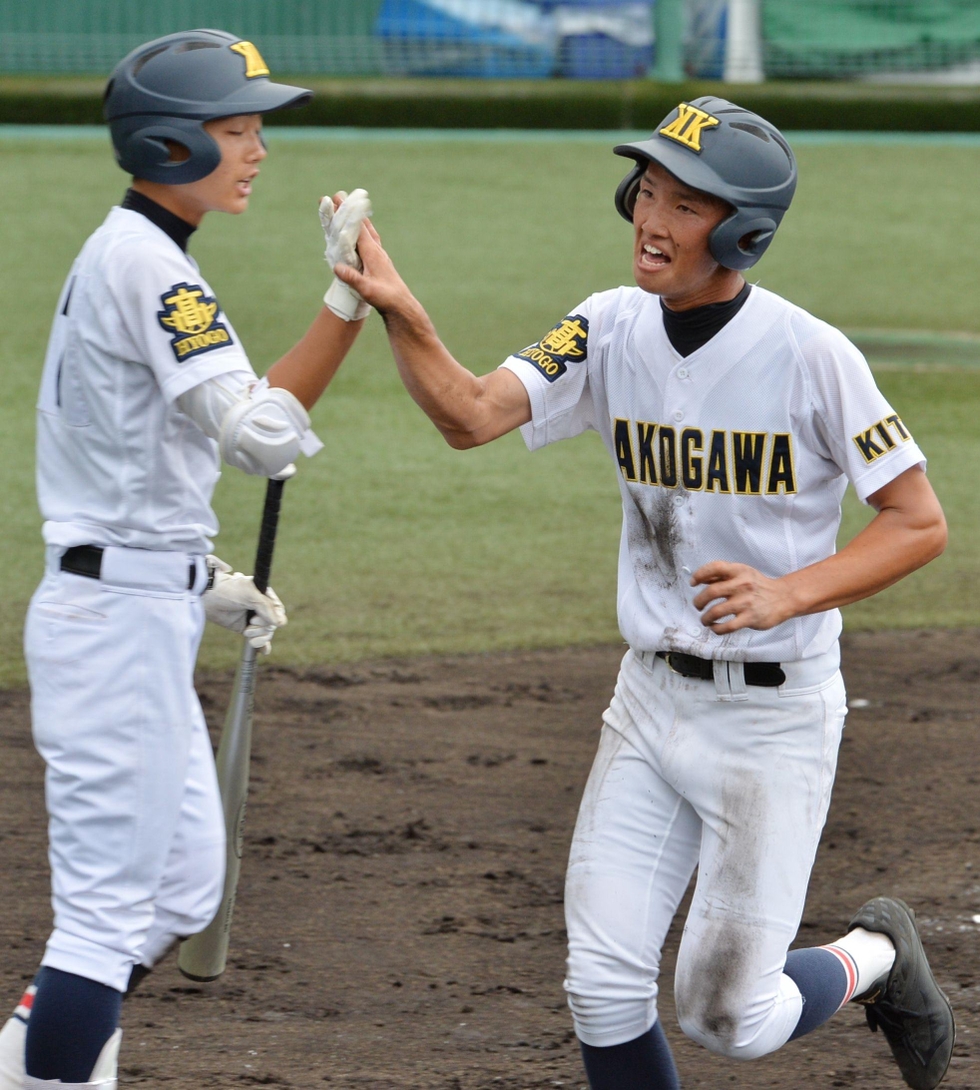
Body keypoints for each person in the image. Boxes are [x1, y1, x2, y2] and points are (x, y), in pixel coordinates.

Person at [333, 97, 953, 1090]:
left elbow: (917, 520)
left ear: (742, 229)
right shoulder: (606, 326)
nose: (650, 220)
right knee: (600, 986)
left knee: (726, 1017)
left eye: (684, 203)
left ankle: (876, 956)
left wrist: (789, 592)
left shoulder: (811, 356)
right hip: (648, 703)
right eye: (647, 190)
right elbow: (469, 415)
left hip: (771, 723)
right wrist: (406, 316)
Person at [0, 29, 372, 1090]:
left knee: (177, 890)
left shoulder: (141, 259)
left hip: (134, 604)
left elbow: (139, 455)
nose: (259, 150)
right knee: (108, 914)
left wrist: (204, 581)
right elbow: (258, 437)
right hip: (108, 624)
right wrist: (349, 300)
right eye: (237, 130)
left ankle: (35, 1069)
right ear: (170, 144)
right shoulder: (151, 270)